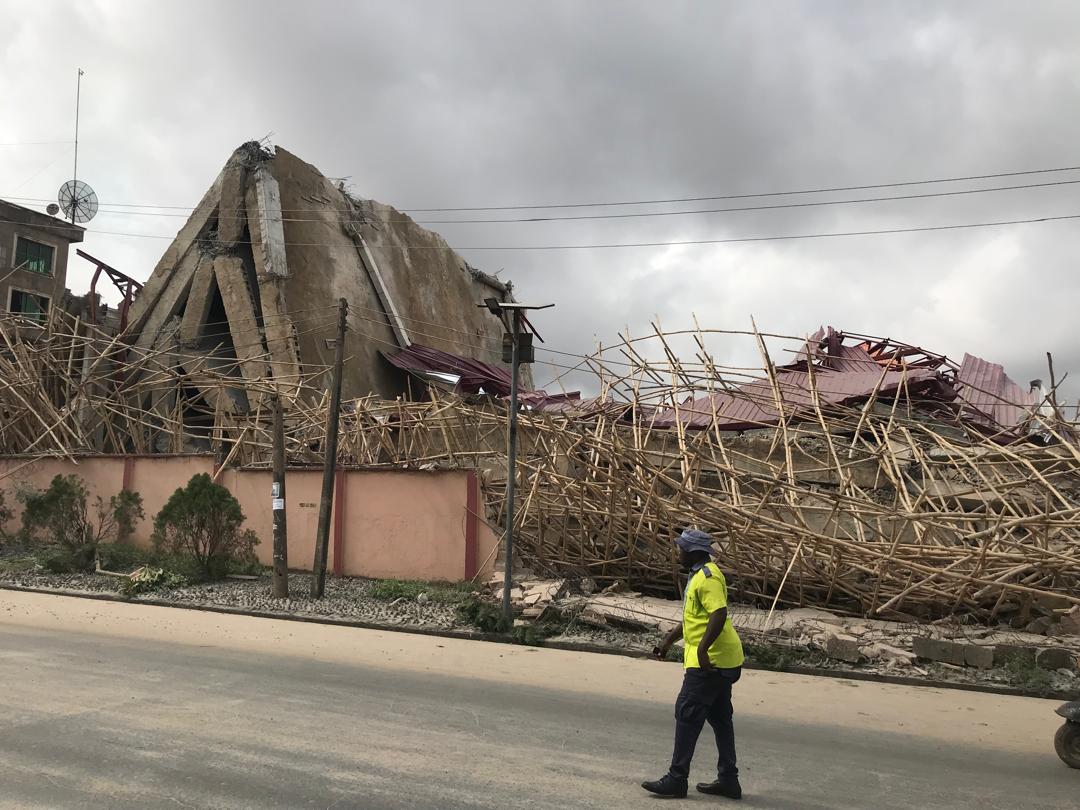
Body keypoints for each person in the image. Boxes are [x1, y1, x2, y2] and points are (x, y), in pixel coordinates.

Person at [641, 528, 744, 800]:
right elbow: (691, 620)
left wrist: (702, 650)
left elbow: (718, 614)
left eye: (682, 549)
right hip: (721, 659)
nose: (678, 553)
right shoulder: (697, 575)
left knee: (687, 714)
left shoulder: (708, 578)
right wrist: (666, 643)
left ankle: (677, 779)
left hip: (711, 662)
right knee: (720, 718)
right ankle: (728, 780)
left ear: (695, 553)